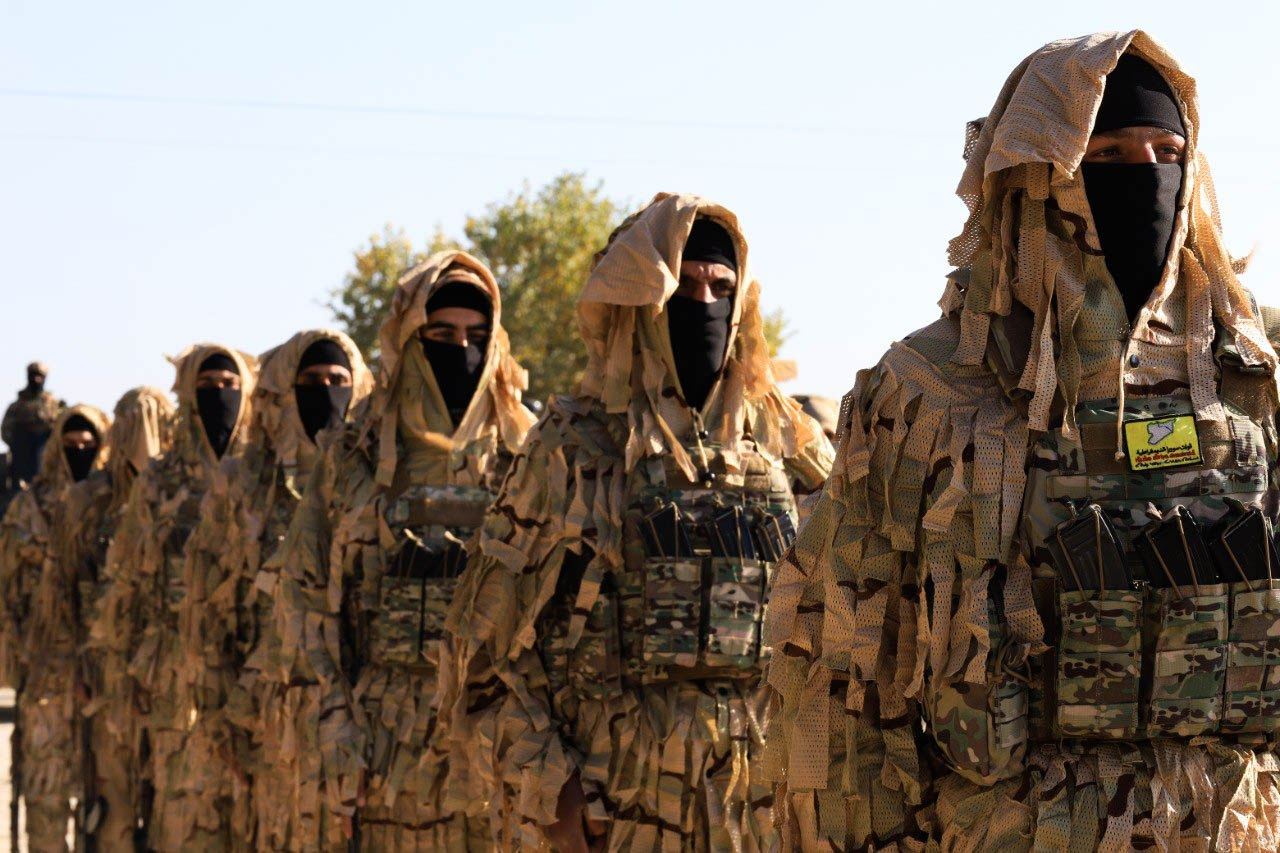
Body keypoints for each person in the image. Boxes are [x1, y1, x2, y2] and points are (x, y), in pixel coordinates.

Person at [764, 31, 1280, 849]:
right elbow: (834, 673)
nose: (1146, 174)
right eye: (1108, 154)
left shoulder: (1248, 381)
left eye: (1167, 150)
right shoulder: (927, 391)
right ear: (1044, 178)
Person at [444, 195, 834, 850]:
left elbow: (847, 621)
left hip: (758, 813)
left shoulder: (785, 443)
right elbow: (482, 649)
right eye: (684, 284)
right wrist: (555, 793)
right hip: (616, 809)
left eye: (722, 286)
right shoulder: (575, 444)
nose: (704, 302)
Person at [272, 252, 534, 849]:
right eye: (441, 334)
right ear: (410, 339)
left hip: (497, 741)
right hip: (381, 744)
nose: (460, 348)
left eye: (475, 335)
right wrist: (336, 729)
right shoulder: (355, 453)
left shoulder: (528, 453)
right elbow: (305, 602)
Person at [179, 330, 372, 850]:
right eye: (310, 382)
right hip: (269, 726)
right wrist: (225, 726)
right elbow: (209, 616)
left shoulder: (374, 478)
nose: (326, 392)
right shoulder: (243, 485)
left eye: (338, 381)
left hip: (365, 728)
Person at [95, 345, 257, 851]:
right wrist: (127, 677)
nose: (220, 395)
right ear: (187, 395)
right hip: (174, 682)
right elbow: (131, 586)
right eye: (207, 386)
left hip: (252, 679)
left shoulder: (261, 471)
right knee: (181, 817)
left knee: (252, 819)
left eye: (231, 385)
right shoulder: (160, 480)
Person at [55, 386, 175, 851]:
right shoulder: (91, 503)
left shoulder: (185, 496)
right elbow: (70, 592)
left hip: (170, 677)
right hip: (107, 679)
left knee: (169, 802)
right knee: (114, 804)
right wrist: (81, 670)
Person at [0, 404, 111, 851]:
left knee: (104, 803)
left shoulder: (114, 503)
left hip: (105, 677)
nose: (78, 453)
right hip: (46, 673)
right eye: (69, 446)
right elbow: (7, 592)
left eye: (88, 446)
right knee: (46, 798)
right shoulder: (31, 508)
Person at [2, 362, 65, 490]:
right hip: (21, 458)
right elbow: (5, 431)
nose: (36, 379)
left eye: (40, 376)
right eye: (33, 375)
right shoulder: (17, 406)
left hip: (45, 457)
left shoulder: (54, 405)